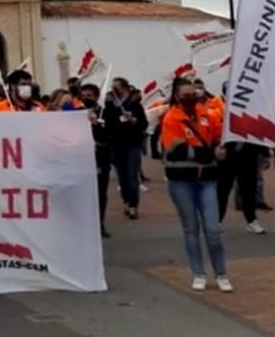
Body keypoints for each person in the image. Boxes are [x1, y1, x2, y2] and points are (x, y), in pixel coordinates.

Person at [160, 77, 232, 292]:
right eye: (186, 95)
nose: (191, 98)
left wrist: (220, 148)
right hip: (182, 181)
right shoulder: (171, 118)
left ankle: (221, 273)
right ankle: (198, 273)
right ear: (176, 96)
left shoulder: (207, 114)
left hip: (207, 180)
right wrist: (210, 153)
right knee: (191, 229)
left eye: (194, 94)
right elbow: (178, 150)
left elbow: (218, 137)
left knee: (213, 230)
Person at [103, 78, 149, 220]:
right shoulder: (110, 105)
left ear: (124, 88)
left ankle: (133, 205)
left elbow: (144, 124)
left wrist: (133, 120)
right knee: (122, 175)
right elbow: (106, 123)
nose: (114, 90)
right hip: (117, 143)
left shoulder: (135, 105)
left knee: (131, 174)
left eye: (116, 87)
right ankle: (126, 200)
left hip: (133, 143)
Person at [80, 84, 112, 238]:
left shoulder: (105, 111)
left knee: (100, 191)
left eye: (89, 95)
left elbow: (111, 132)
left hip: (100, 154)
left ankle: (99, 223)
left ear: (96, 96)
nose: (86, 98)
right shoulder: (77, 112)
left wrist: (96, 124)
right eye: (83, 95)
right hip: (81, 155)